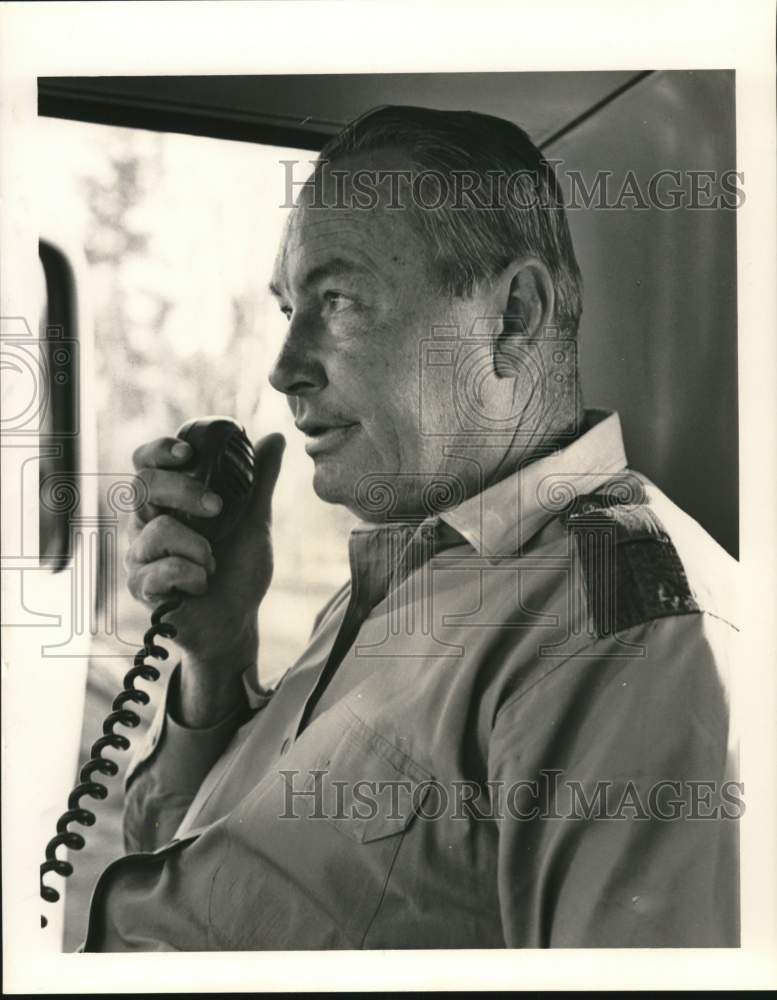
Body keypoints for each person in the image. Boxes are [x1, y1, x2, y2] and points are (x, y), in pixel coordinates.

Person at [82, 106, 739, 950]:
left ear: (512, 317)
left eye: (338, 300)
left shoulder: (625, 622)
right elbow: (186, 868)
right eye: (289, 308)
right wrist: (217, 656)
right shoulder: (404, 569)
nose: (284, 367)